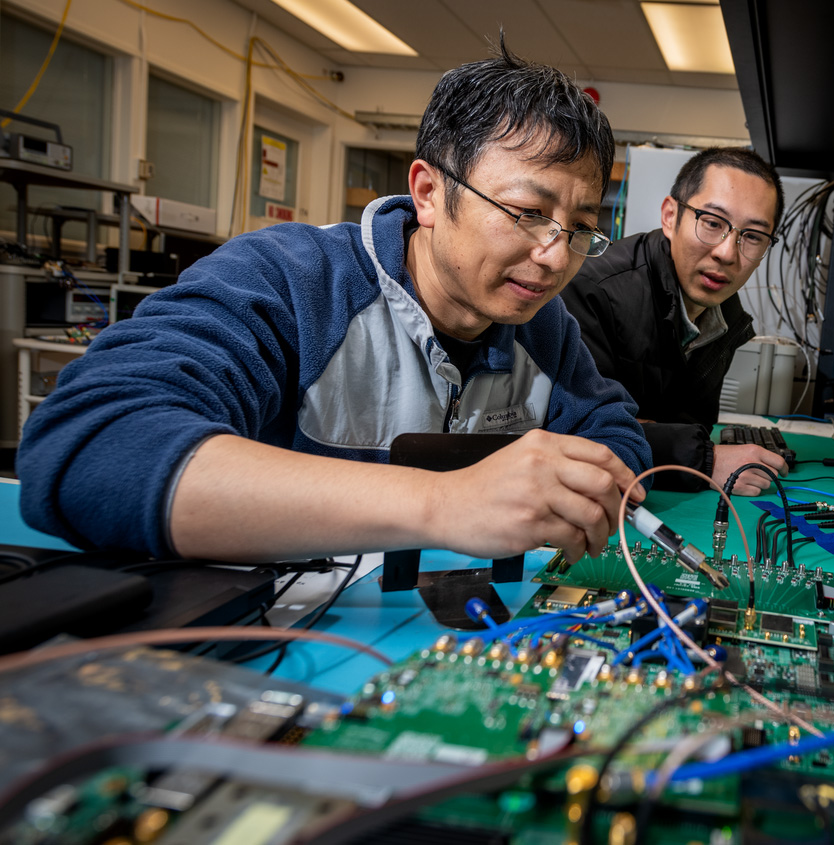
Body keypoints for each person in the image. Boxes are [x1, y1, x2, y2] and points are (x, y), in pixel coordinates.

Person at [16, 42, 650, 566]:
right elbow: (90, 445)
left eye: (577, 228)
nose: (553, 256)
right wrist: (444, 502)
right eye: (527, 213)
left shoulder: (539, 322)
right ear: (429, 193)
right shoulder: (291, 280)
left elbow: (611, 429)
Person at [560, 147, 788, 495]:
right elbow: (581, 432)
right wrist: (706, 460)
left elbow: (687, 422)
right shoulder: (594, 291)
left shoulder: (723, 310)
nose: (727, 253)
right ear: (670, 216)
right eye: (712, 223)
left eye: (753, 236)